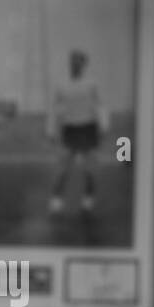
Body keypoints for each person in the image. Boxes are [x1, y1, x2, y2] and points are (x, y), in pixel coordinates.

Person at [47, 47, 108, 215]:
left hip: (88, 129)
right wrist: (51, 130)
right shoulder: (61, 85)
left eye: (78, 61)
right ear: (70, 63)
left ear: (83, 65)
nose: (75, 64)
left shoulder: (92, 84)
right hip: (70, 130)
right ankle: (56, 199)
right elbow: (54, 109)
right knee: (61, 168)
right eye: (72, 61)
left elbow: (100, 106)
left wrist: (104, 126)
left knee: (90, 170)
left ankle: (88, 198)